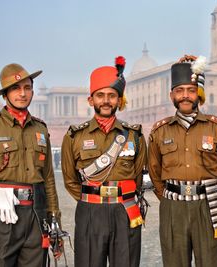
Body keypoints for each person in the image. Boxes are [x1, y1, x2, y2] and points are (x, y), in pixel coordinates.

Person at [0, 63, 61, 266]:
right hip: (0, 216)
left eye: (27, 88)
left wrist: (54, 222)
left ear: (33, 91)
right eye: (15, 88)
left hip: (36, 215)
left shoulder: (40, 129)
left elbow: (49, 180)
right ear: (5, 94)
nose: (22, 93)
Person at [148, 55, 217, 267]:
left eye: (191, 90)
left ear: (200, 93)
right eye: (179, 91)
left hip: (208, 205)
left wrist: (211, 198)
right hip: (172, 208)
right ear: (171, 95)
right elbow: (154, 172)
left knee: (211, 262)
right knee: (174, 262)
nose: (185, 96)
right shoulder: (160, 131)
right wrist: (172, 199)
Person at [61, 56, 147, 267]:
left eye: (112, 95)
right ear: (91, 100)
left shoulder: (134, 136)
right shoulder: (74, 137)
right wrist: (93, 199)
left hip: (124, 211)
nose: (106, 100)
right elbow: (70, 180)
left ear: (119, 100)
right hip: (90, 212)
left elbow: (137, 176)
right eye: (100, 95)